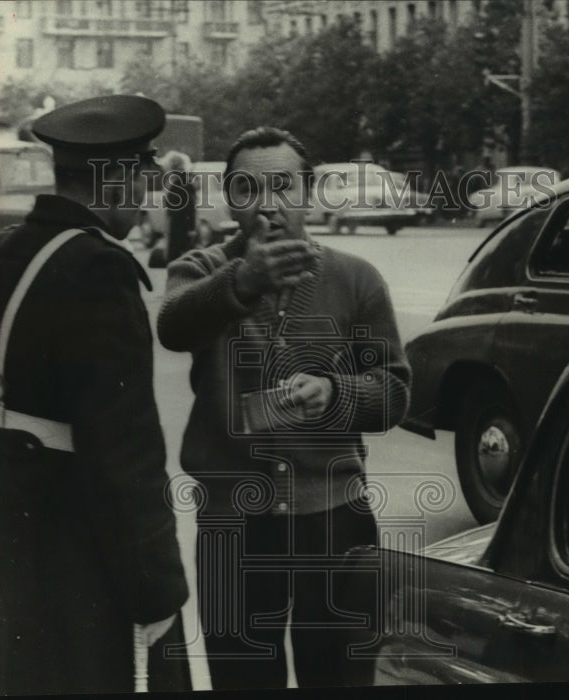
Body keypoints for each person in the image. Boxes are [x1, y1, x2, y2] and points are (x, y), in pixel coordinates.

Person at [0, 95, 190, 695]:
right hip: (83, 556)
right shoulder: (101, 269)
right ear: (117, 179)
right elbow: (126, 454)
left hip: (9, 532)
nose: (144, 202)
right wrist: (158, 592)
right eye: (141, 180)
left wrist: (31, 448)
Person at [157, 126, 411, 689]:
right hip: (233, 522)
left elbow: (393, 392)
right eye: (247, 189)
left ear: (309, 193)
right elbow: (174, 325)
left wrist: (336, 393)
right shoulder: (199, 270)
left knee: (340, 675)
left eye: (282, 187)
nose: (268, 205)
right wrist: (243, 280)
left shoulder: (355, 278)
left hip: (334, 517)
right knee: (243, 677)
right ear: (229, 199)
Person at [161, 150, 197, 264]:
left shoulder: (182, 182)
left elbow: (190, 206)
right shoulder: (177, 181)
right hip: (177, 224)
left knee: (178, 257)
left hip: (181, 225)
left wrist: (191, 228)